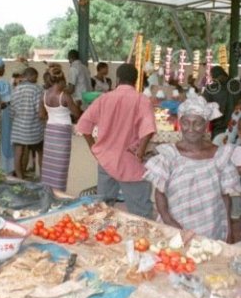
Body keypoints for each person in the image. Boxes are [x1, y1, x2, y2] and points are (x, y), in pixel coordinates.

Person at [144, 95, 241, 242]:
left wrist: (228, 229)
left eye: (197, 124)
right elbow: (160, 195)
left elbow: (225, 197)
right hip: (175, 226)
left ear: (206, 125)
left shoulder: (220, 156)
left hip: (211, 227)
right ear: (179, 123)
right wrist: (173, 226)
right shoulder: (169, 155)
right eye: (186, 123)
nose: (190, 129)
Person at [76, 63, 157, 218]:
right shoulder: (141, 100)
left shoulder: (104, 98)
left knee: (103, 208)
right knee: (141, 211)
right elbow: (149, 129)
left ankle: (103, 237)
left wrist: (94, 149)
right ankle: (142, 240)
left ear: (117, 79)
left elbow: (84, 126)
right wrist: (141, 150)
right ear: (136, 80)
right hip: (130, 162)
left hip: (106, 160)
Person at [39, 63, 81, 191]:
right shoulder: (65, 96)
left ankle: (47, 192)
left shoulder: (44, 95)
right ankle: (59, 194)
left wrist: (51, 116)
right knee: (61, 167)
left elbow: (41, 115)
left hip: (50, 131)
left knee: (49, 166)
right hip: (62, 133)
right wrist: (77, 104)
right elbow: (77, 113)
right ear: (61, 80)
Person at [10, 67, 44, 178]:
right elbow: (39, 111)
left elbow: (12, 109)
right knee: (40, 151)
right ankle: (43, 178)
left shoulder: (16, 89)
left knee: (18, 153)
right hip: (34, 128)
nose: (36, 79)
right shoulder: (37, 89)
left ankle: (20, 178)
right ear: (30, 76)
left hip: (18, 127)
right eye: (36, 76)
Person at [203, 66, 231, 139]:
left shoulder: (210, 89)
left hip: (218, 126)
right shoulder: (236, 87)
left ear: (213, 76)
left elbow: (203, 106)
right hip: (234, 125)